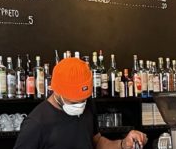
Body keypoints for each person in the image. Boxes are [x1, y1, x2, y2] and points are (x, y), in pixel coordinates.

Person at [14, 57, 148, 149]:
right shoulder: (36, 123)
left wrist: (123, 144)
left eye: (83, 99)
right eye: (73, 100)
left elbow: (97, 142)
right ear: (57, 91)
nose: (80, 105)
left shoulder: (87, 104)